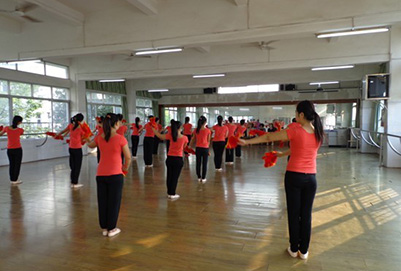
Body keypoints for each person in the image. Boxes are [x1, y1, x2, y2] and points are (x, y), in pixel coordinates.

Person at [239, 100, 323, 260]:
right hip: (311, 179)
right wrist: (282, 154)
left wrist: (247, 141)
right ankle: (304, 251)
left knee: (294, 213)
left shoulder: (295, 129)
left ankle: (293, 248)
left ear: (302, 115)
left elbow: (270, 136)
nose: (295, 116)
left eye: (296, 113)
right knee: (306, 215)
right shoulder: (317, 131)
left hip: (294, 177)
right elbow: (299, 147)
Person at [87, 113, 131, 237]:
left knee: (103, 201)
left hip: (100, 174)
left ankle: (105, 227)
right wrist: (124, 170)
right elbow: (128, 158)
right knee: (114, 201)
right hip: (115, 175)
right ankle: (112, 228)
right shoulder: (120, 138)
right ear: (116, 124)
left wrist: (84, 138)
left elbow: (90, 145)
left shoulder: (100, 137)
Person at [153, 120, 188, 200]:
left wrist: (153, 129)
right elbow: (184, 148)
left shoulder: (170, 135)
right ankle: (172, 193)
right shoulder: (185, 138)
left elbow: (159, 136)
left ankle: (169, 192)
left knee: (169, 176)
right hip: (178, 159)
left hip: (169, 158)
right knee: (175, 177)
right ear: (180, 128)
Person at [57, 113, 86, 188]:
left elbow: (63, 131)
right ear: (81, 120)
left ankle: (72, 181)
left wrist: (57, 135)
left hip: (71, 148)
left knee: (73, 165)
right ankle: (75, 183)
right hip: (77, 149)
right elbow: (84, 138)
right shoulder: (81, 128)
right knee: (77, 166)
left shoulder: (70, 126)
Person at [0, 116, 24, 185]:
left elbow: (0, 134)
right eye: (21, 121)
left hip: (10, 150)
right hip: (17, 149)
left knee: (12, 164)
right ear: (18, 122)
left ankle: (12, 179)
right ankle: (15, 180)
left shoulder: (6, 128)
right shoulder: (20, 130)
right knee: (17, 165)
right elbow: (21, 133)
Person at [190, 116, 211, 183]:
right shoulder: (208, 130)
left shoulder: (196, 130)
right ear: (205, 122)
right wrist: (208, 150)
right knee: (204, 163)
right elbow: (208, 141)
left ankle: (199, 177)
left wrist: (189, 146)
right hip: (205, 148)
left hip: (198, 148)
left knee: (198, 163)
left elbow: (193, 139)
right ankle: (203, 178)